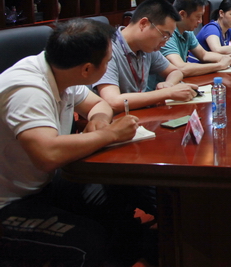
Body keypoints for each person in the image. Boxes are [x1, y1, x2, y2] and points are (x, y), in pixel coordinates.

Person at [0, 18, 155, 266]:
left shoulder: (63, 72)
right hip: (10, 202)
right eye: (107, 61)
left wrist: (99, 121)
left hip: (44, 185)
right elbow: (47, 155)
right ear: (86, 69)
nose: (109, 64)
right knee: (88, 242)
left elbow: (98, 104)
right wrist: (111, 134)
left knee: (120, 191)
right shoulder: (28, 89)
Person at [94, 0, 199, 112]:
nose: (164, 44)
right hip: (117, 119)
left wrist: (169, 84)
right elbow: (113, 102)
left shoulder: (146, 48)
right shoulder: (108, 49)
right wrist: (167, 93)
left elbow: (175, 71)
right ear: (144, 24)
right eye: (164, 36)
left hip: (140, 114)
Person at [159, 0, 231, 76]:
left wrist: (228, 58)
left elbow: (204, 55)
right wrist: (220, 65)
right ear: (182, 14)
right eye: (198, 16)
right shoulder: (167, 34)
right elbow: (181, 68)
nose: (200, 21)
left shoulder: (187, 31)